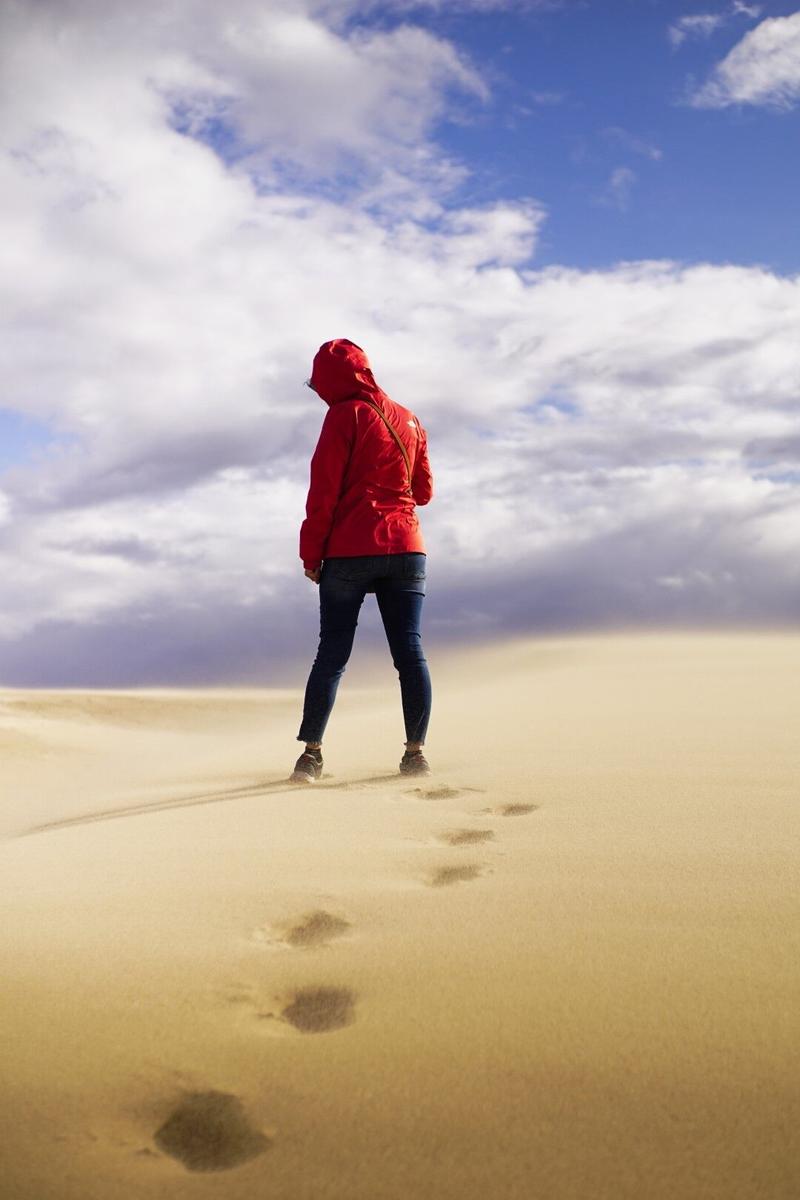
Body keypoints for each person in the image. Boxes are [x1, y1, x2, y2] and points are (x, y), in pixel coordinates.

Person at [290, 338, 434, 784]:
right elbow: (424, 491)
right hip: (406, 547)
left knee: (332, 653)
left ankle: (311, 757)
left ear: (331, 381)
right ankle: (415, 755)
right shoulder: (409, 419)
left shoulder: (343, 415)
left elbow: (323, 492)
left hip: (349, 550)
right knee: (409, 652)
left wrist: (311, 554)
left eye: (317, 385)